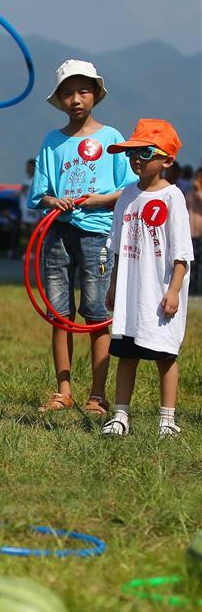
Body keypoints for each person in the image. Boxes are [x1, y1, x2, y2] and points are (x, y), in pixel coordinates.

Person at [27, 59, 139, 415]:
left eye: (83, 91)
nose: (76, 99)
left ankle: (98, 394)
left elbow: (127, 188)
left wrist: (98, 199)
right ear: (59, 99)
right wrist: (52, 200)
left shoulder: (111, 138)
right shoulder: (51, 141)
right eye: (68, 93)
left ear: (95, 96)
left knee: (96, 313)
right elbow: (38, 193)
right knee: (59, 313)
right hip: (57, 232)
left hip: (98, 234)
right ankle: (63, 391)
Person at [101, 120, 193, 437]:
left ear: (167, 160)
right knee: (126, 355)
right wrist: (113, 285)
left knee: (165, 356)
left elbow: (182, 253)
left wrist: (175, 290)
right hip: (130, 292)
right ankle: (120, 415)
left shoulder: (173, 197)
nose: (136, 159)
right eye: (131, 153)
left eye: (144, 152)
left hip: (160, 293)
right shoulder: (127, 196)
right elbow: (116, 246)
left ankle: (167, 419)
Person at [185, 167, 202, 294]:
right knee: (192, 263)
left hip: (200, 235)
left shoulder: (197, 194)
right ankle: (192, 288)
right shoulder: (189, 194)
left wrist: (198, 192)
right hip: (191, 234)